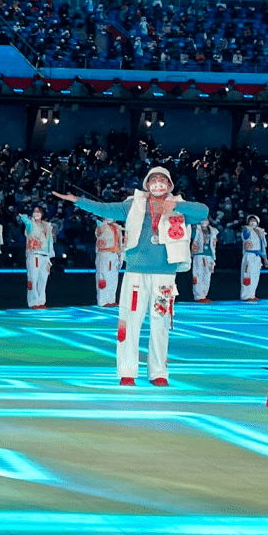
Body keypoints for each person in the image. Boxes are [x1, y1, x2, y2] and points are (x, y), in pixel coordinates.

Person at [56, 165, 207, 387]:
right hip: (136, 272)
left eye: (162, 180)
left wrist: (176, 204)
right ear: (146, 184)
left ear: (169, 185)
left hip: (165, 275)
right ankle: (127, 371)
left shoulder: (180, 207)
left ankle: (159, 372)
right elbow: (105, 208)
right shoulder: (133, 205)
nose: (158, 183)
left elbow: (203, 212)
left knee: (161, 323)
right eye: (153, 179)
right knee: (129, 321)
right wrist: (77, 200)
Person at [20, 205, 54, 309]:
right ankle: (33, 302)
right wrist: (24, 218)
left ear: (42, 213)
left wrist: (50, 256)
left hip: (45, 255)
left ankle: (41, 301)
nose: (36, 213)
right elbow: (27, 222)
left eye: (38, 211)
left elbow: (49, 242)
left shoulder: (47, 226)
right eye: (35, 211)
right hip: (34, 254)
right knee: (33, 278)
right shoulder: (31, 224)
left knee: (43, 279)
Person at [95, 217, 124, 307]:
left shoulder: (117, 227)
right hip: (105, 254)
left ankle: (111, 300)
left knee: (113, 278)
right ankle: (103, 301)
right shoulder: (101, 225)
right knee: (103, 277)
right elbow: (98, 234)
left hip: (115, 255)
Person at [191, 217, 218, 303]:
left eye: (206, 219)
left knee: (207, 275)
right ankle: (198, 296)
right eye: (202, 219)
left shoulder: (213, 231)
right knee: (198, 275)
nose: (204, 221)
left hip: (209, 255)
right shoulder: (196, 229)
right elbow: (191, 235)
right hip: (199, 254)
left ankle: (204, 295)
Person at [240, 215, 267, 301]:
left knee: (255, 276)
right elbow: (245, 236)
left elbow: (263, 246)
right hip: (249, 255)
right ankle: (245, 296)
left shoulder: (261, 232)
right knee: (247, 275)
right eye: (251, 220)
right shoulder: (246, 230)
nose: (252, 221)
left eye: (254, 220)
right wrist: (247, 229)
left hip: (257, 256)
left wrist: (265, 258)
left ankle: (252, 295)